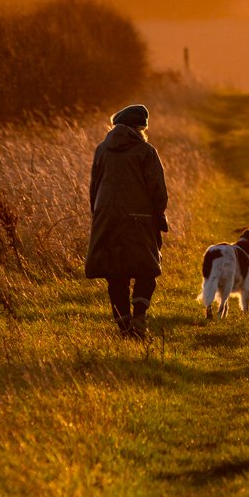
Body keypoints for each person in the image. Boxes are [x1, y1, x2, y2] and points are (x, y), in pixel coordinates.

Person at [85, 103, 168, 338]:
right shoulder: (146, 151)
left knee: (115, 274)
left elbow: (94, 186)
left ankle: (124, 328)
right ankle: (139, 317)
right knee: (146, 270)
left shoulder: (102, 149)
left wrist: (98, 215)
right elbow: (157, 190)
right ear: (141, 128)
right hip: (140, 219)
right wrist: (158, 214)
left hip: (106, 217)